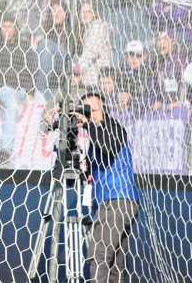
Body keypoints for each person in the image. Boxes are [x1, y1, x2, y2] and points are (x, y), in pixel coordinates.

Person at [73, 92, 139, 283]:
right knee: (113, 265)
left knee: (99, 257)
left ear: (104, 111)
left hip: (117, 200)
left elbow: (107, 147)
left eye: (93, 110)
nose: (89, 115)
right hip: (114, 202)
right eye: (84, 111)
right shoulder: (95, 133)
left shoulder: (114, 128)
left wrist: (87, 124)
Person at [0, 14, 36, 163]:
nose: (7, 30)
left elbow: (32, 69)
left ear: (16, 28)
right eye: (4, 27)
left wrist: (31, 92)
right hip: (4, 89)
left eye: (10, 26)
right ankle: (5, 150)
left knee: (44, 104)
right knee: (12, 106)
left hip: (22, 89)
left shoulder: (24, 46)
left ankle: (34, 157)